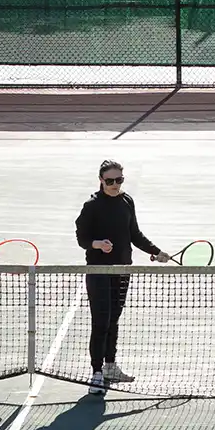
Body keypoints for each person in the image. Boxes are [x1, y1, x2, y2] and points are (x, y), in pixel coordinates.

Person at [73, 160, 171, 394]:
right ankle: (96, 374)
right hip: (98, 271)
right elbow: (82, 237)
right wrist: (97, 244)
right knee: (101, 322)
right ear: (101, 181)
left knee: (114, 320)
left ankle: (110, 367)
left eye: (119, 180)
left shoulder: (127, 202)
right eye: (110, 181)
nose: (115, 185)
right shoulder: (92, 206)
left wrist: (156, 252)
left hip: (122, 270)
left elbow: (134, 234)